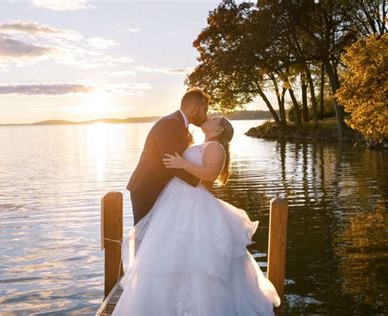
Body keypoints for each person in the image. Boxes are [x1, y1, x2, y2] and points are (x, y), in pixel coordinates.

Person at [113, 113, 281, 315]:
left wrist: (182, 164)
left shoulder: (215, 147)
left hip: (194, 202)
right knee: (171, 250)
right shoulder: (204, 144)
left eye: (213, 119)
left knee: (198, 256)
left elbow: (210, 174)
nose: (207, 118)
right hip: (177, 201)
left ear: (219, 130)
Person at [126, 88, 209, 226]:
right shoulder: (172, 123)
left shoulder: (178, 123)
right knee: (144, 234)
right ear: (195, 108)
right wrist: (200, 184)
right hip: (147, 188)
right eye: (205, 110)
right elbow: (171, 164)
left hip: (156, 187)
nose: (206, 116)